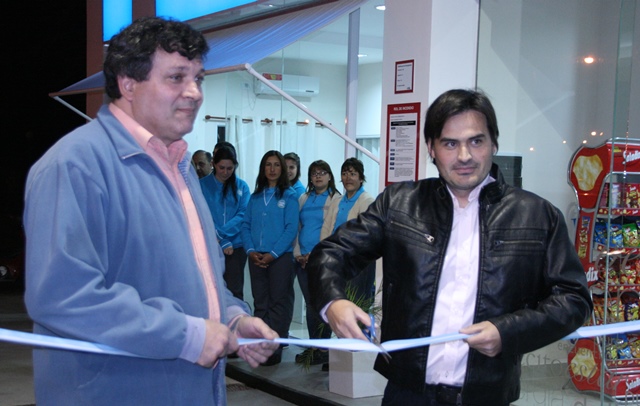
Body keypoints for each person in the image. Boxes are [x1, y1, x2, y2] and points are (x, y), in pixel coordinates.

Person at [23, 16, 278, 406]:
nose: (194, 92)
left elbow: (200, 276)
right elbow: (64, 296)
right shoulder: (75, 166)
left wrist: (232, 318)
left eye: (198, 78)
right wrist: (186, 335)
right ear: (128, 83)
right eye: (176, 78)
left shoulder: (180, 168)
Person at [307, 89, 592, 405]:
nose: (465, 156)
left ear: (494, 144)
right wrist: (333, 303)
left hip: (486, 395)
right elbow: (330, 254)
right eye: (450, 144)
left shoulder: (537, 216)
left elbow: (573, 299)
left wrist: (509, 332)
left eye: (476, 141)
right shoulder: (399, 204)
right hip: (407, 394)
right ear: (431, 148)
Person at [241, 150, 299, 366]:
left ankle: (274, 348)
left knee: (277, 302)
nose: (272, 169)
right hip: (256, 257)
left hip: (279, 258)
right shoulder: (255, 197)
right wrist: (250, 250)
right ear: (263, 169)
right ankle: (260, 344)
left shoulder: (289, 196)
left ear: (282, 169)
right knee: (260, 302)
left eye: (276, 165)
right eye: (268, 165)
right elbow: (245, 225)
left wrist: (273, 254)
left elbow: (291, 228)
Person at [293, 160, 341, 366]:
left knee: (323, 304)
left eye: (322, 172)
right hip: (302, 260)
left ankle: (323, 348)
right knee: (311, 304)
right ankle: (314, 347)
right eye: (314, 173)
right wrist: (298, 254)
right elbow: (298, 228)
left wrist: (315, 254)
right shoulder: (304, 198)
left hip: (322, 259)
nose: (318, 176)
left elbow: (331, 230)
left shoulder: (335, 198)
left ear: (330, 176)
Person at [321, 157, 376, 309]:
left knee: (355, 306)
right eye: (344, 174)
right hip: (336, 260)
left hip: (357, 263)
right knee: (338, 304)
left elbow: (365, 235)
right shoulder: (337, 200)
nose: (348, 178)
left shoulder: (367, 201)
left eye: (352, 174)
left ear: (361, 178)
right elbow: (326, 228)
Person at [200, 145, 251, 301]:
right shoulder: (202, 185)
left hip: (236, 246)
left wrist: (221, 235)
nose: (225, 172)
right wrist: (218, 239)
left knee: (235, 290)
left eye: (230, 168)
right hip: (209, 244)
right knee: (211, 290)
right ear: (213, 164)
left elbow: (243, 214)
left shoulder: (242, 186)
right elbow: (201, 214)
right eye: (221, 167)